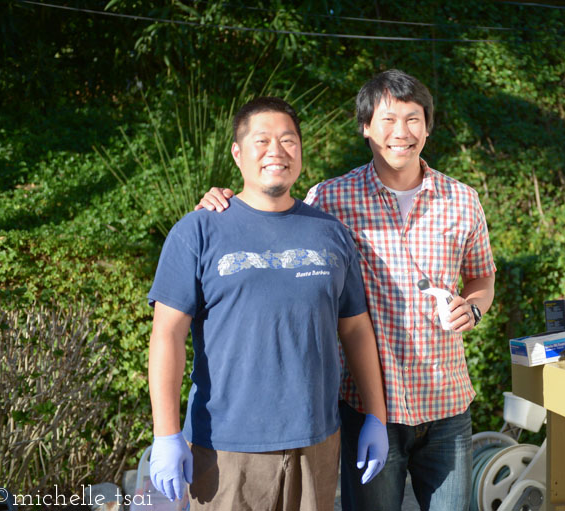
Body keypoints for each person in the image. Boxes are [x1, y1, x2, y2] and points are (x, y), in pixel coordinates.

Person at [197, 70, 496, 511]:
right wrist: (221, 203)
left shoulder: (462, 199)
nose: (401, 132)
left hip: (447, 402)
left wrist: (471, 309)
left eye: (413, 119)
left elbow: (482, 278)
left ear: (428, 126)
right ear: (365, 128)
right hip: (365, 407)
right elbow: (271, 216)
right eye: (388, 119)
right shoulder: (330, 199)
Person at [148, 96, 388, 511]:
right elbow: (167, 333)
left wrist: (377, 416)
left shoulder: (332, 234)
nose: (276, 151)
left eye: (288, 141)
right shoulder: (199, 230)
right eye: (262, 141)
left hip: (316, 442)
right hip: (226, 449)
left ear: (300, 151)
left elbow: (355, 329)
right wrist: (166, 433)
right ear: (238, 154)